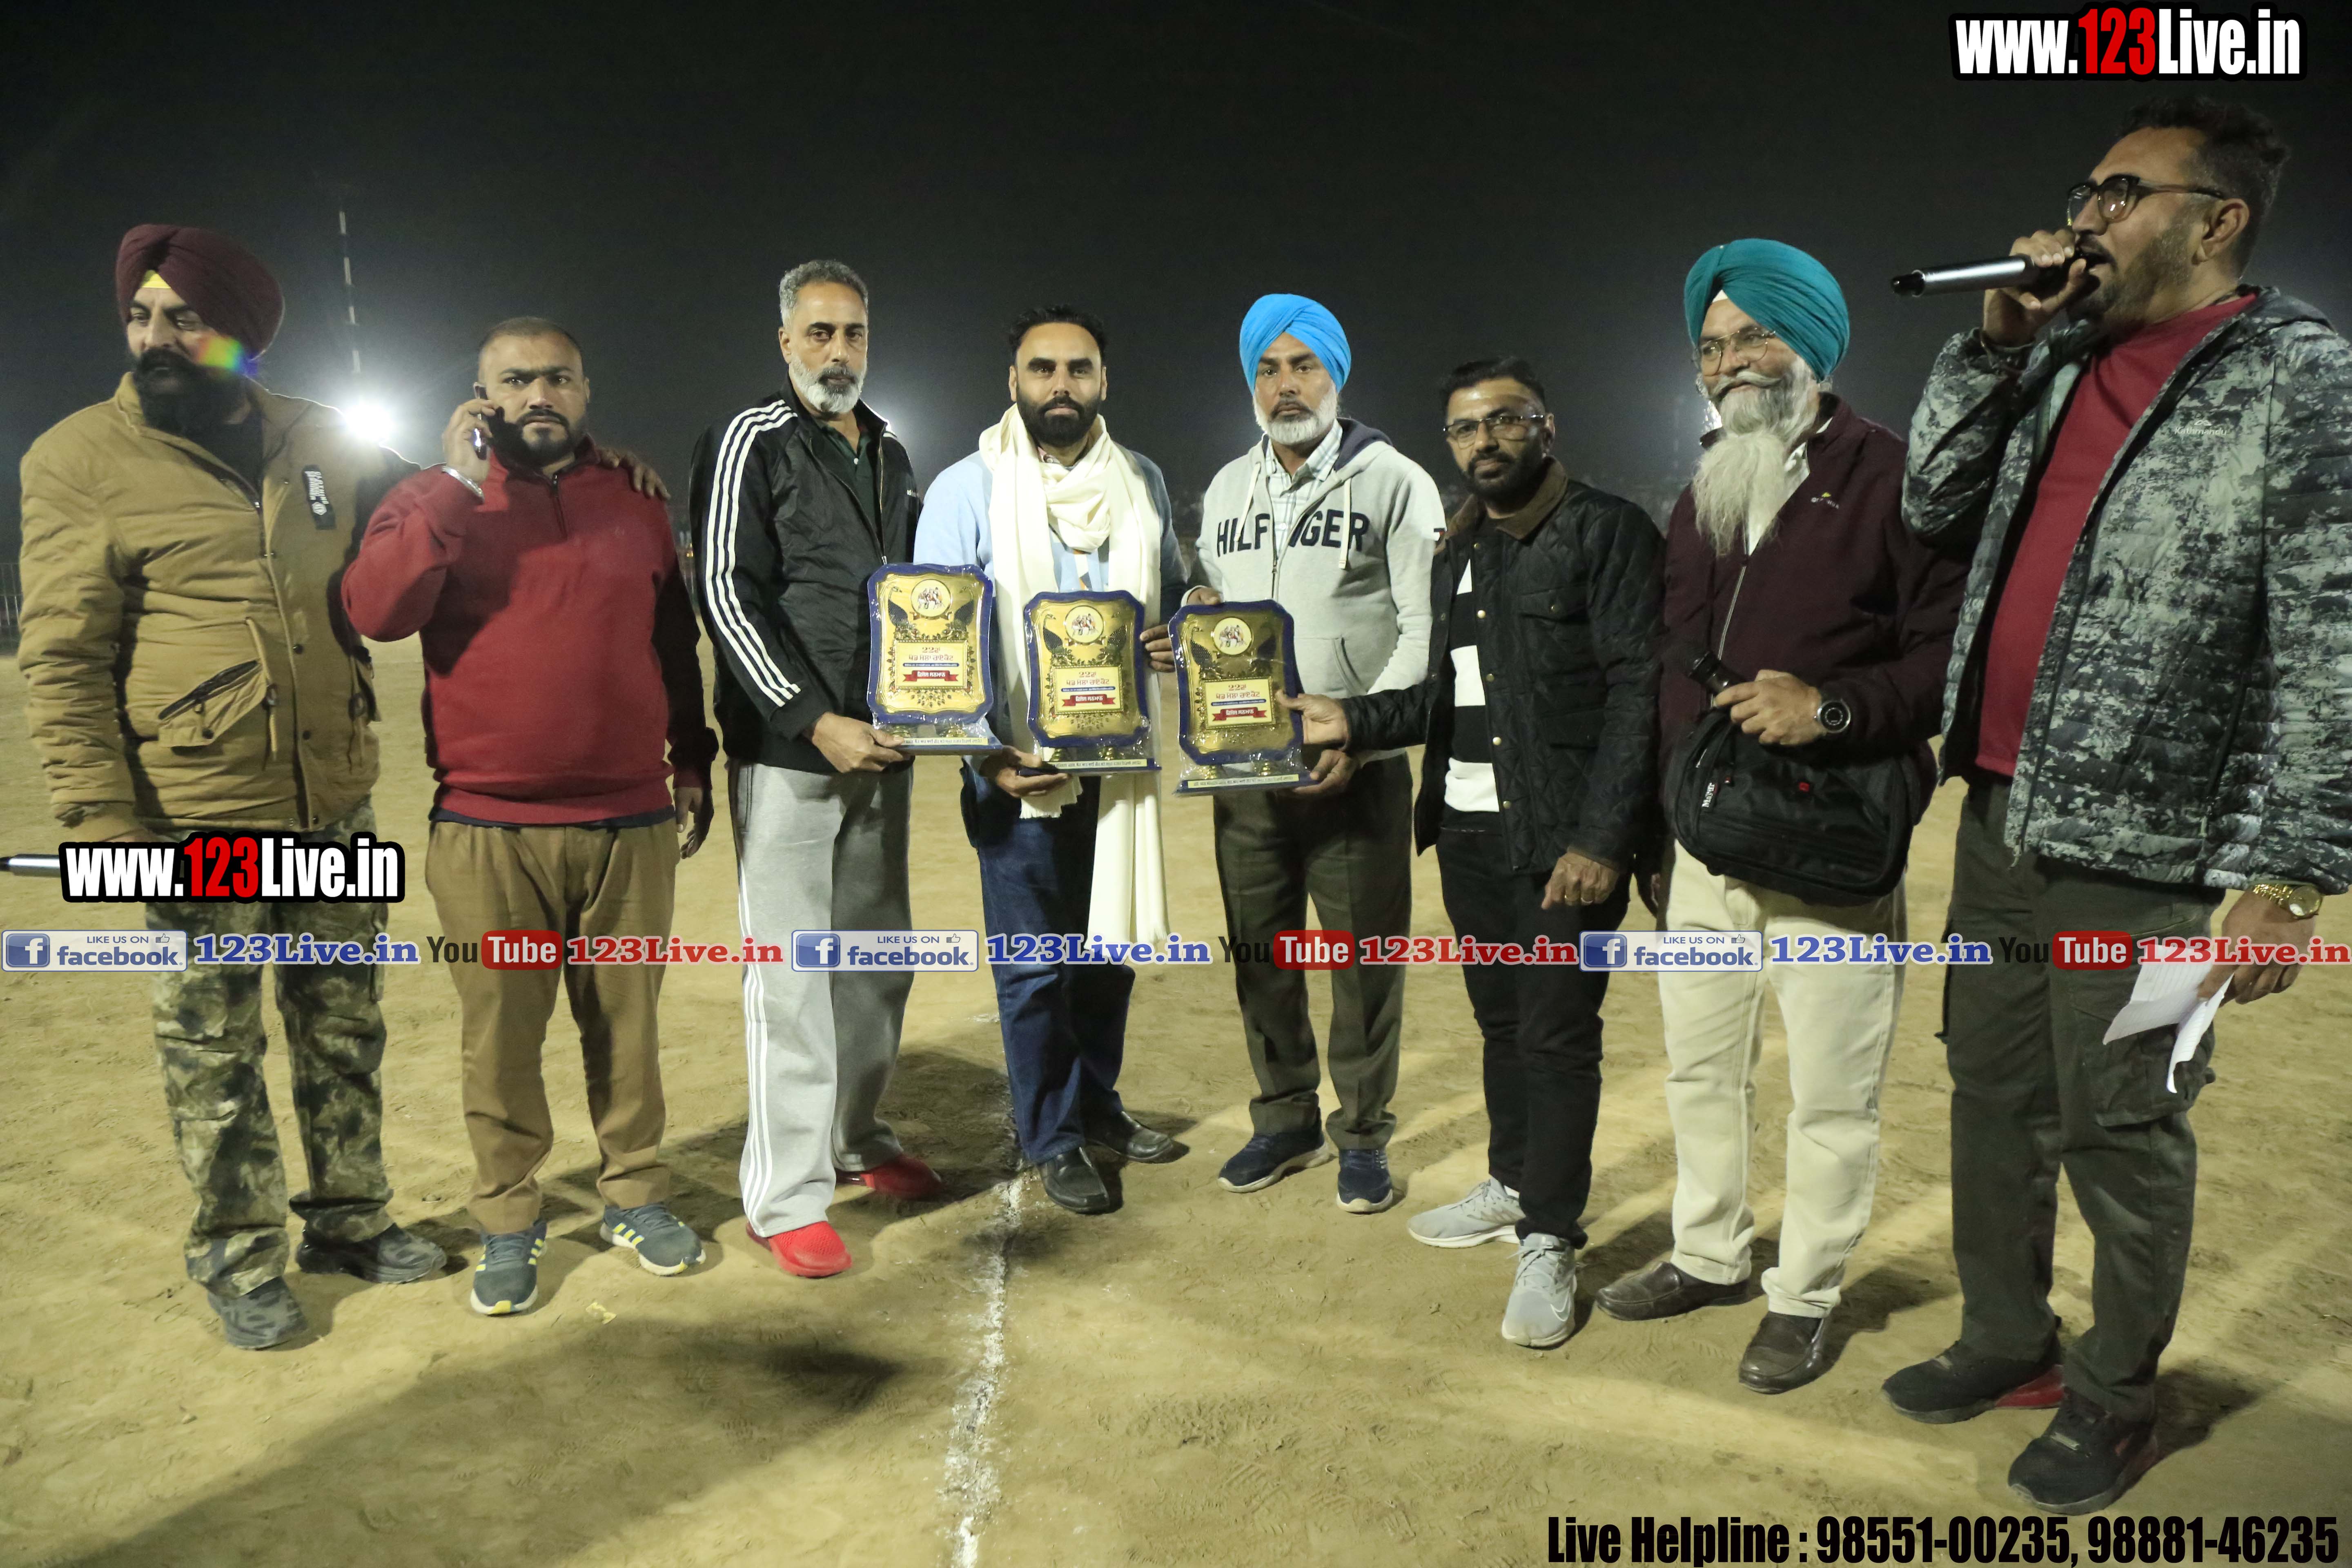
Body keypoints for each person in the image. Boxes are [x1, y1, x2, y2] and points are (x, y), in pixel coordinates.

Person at [1895, 98, 2352, 1512]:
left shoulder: (2298, 375)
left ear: (2216, 223)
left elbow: (2333, 632)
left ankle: (2116, 1395)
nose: (2086, 216)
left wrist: (2292, 875)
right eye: (2086, 189)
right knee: (1991, 1098)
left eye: (2122, 193)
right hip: (1999, 819)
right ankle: (2005, 1336)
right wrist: (1996, 343)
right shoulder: (2055, 355)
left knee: (2124, 1124)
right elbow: (1931, 503)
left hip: (2152, 857)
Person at [16, 225, 445, 1348]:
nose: (155, 338)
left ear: (246, 337)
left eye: (186, 319)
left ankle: (351, 1219)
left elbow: (437, 511)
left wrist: (549, 464)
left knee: (344, 1023)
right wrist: (100, 820)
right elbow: (62, 658)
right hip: (194, 813)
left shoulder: (322, 436)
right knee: (213, 1049)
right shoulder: (79, 459)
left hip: (334, 800)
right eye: (140, 317)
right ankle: (239, 1257)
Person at [1592, 241, 1968, 1395]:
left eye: (1753, 335)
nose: (1729, 362)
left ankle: (1803, 1296)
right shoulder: (1707, 490)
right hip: (1708, 843)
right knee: (1701, 1073)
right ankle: (1709, 1254)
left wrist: (1834, 709)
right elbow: (1671, 663)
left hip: (1831, 843)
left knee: (1833, 1097)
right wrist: (1662, 821)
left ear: (1812, 343)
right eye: (1710, 347)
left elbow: (1948, 657)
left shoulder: (1896, 477)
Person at [342, 317, 719, 1316]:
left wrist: (693, 757)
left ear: (585, 391)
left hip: (629, 821)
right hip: (488, 828)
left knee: (628, 1031)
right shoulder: (432, 499)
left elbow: (673, 642)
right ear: (481, 397)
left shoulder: (635, 500)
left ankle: (635, 1194)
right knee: (501, 1043)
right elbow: (377, 612)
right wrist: (449, 484)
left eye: (558, 378)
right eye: (515, 381)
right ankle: (510, 1216)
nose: (538, 395)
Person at [1290, 357, 1662, 1349]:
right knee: (1502, 1026)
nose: (1484, 441)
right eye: (1464, 428)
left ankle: (1552, 1235)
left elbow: (1640, 691)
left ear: (1546, 425)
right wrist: (1353, 720)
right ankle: (1512, 1182)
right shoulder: (1462, 549)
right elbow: (1446, 697)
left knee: (1556, 1036)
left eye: (1505, 420)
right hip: (1465, 832)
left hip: (1560, 845)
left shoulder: (1609, 530)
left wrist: (1602, 838)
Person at [690, 259, 936, 1281]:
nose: (840, 351)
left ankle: (855, 1138)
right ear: (786, 341)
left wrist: (924, 707)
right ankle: (785, 1196)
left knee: (876, 961)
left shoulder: (891, 451)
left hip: (884, 749)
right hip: (791, 753)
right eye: (821, 333)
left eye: (855, 333)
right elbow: (724, 591)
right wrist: (810, 717)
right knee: (791, 978)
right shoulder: (751, 439)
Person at [914, 305, 1187, 1215]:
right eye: (1043, 369)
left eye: (1079, 368)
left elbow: (1176, 595)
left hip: (1122, 767)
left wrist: (1179, 627)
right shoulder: (967, 489)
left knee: (1109, 949)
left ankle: (1098, 1104)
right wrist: (986, 758)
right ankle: (1053, 1135)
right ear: (1014, 382)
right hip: (1019, 772)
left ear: (1104, 381)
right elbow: (933, 647)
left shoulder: (1142, 480)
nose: (1061, 385)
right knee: (1035, 967)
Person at [1189, 294, 1440, 1215]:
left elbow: (1421, 627)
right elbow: (1219, 605)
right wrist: (1196, 616)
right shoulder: (1227, 487)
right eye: (1268, 368)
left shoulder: (1395, 481)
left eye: (1304, 366)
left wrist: (1363, 732)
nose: (1286, 385)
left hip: (1353, 772)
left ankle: (1363, 1133)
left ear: (1336, 376)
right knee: (1261, 952)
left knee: (1364, 960)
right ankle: (1286, 1116)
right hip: (1246, 769)